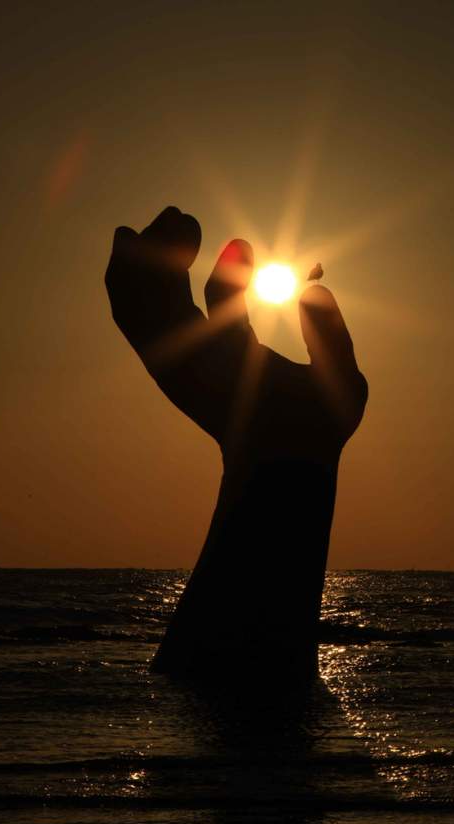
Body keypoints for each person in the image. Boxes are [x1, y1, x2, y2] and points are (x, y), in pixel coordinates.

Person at [104, 206, 367, 680]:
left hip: (218, 686)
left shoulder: (301, 417)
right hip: (274, 690)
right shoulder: (313, 417)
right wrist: (298, 445)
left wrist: (279, 439)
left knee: (235, 716)